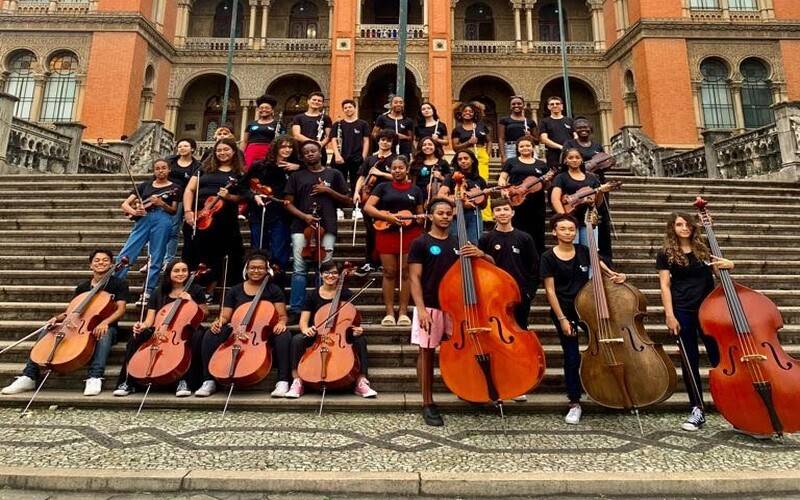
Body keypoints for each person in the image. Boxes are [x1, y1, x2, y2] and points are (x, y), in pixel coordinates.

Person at [408, 198, 493, 426]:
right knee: (426, 354)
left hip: (456, 309)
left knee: (459, 352)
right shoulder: (421, 243)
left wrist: (481, 254)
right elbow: (414, 278)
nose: (445, 217)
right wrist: (421, 310)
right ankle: (427, 402)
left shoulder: (459, 242)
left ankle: (463, 389)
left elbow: (490, 265)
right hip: (430, 306)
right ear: (431, 216)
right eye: (440, 213)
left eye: (448, 213)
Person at [1, 249, 128, 397]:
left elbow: (120, 310)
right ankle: (29, 375)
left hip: (105, 326)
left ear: (112, 264)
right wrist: (57, 318)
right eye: (97, 260)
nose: (101, 262)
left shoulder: (119, 284)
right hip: (79, 324)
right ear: (90, 265)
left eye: (105, 260)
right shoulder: (82, 287)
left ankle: (95, 376)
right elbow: (72, 310)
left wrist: (105, 322)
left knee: (104, 334)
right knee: (48, 329)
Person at [540, 214, 625, 425]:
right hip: (564, 310)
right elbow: (550, 291)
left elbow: (605, 272)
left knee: (605, 347)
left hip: (587, 309)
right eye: (563, 229)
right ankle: (574, 402)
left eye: (571, 229)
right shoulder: (548, 257)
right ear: (554, 232)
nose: (568, 232)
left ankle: (611, 391)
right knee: (571, 356)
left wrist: (617, 276)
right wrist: (561, 319)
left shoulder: (584, 251)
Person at [657, 212, 733, 432]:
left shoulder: (704, 248)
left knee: (717, 356)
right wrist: (669, 315)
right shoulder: (665, 253)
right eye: (679, 224)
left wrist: (730, 263)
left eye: (687, 224)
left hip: (709, 310)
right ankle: (697, 409)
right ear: (672, 228)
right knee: (689, 360)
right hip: (682, 310)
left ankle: (731, 402)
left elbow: (720, 272)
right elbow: (664, 286)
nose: (684, 228)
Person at [195, 252, 290, 397]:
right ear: (246, 269)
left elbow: (282, 316)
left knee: (284, 335)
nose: (256, 271)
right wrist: (219, 322)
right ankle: (208, 380)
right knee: (210, 334)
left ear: (267, 270)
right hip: (237, 329)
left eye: (260, 268)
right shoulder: (235, 290)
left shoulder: (273, 290)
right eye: (252, 268)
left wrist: (282, 323)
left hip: (263, 332)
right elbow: (226, 316)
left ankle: (282, 381)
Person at [112, 259, 209, 397]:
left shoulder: (195, 289)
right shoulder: (159, 292)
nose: (181, 274)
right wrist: (141, 326)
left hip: (186, 328)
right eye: (176, 271)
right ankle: (128, 381)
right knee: (136, 338)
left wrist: (191, 300)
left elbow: (204, 313)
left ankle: (184, 380)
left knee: (196, 337)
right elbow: (150, 320)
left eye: (184, 270)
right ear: (169, 273)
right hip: (160, 329)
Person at [285, 261, 378, 399]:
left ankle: (361, 380)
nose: (331, 275)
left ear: (340, 276)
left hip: (340, 334)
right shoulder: (312, 295)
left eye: (334, 273)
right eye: (327, 272)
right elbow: (303, 321)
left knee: (360, 339)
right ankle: (297, 380)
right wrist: (306, 329)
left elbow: (351, 319)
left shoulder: (346, 294)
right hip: (318, 333)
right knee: (297, 339)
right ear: (321, 275)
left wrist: (357, 329)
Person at [284, 141, 352, 316]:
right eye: (305, 152)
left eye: (313, 151)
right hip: (301, 227)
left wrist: (327, 190)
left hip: (327, 226)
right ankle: (297, 309)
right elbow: (288, 204)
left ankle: (320, 308)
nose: (309, 154)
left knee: (324, 267)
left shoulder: (334, 174)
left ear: (321, 153)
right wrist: (304, 216)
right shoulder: (296, 176)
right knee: (299, 268)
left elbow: (348, 200)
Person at [363, 156, 425, 327]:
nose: (397, 171)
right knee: (389, 272)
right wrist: (388, 217)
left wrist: (419, 218)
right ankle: (389, 312)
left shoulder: (416, 190)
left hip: (410, 233)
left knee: (406, 272)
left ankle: (403, 312)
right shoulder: (382, 187)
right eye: (394, 168)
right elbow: (368, 207)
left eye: (400, 168)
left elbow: (420, 214)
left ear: (407, 169)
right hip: (386, 232)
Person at [183, 137, 245, 299]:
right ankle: (193, 287)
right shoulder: (203, 168)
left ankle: (209, 290)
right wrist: (188, 211)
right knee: (195, 252)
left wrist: (229, 196)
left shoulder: (239, 173)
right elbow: (189, 190)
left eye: (226, 150)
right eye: (219, 150)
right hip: (199, 216)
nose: (222, 153)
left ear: (234, 152)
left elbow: (243, 197)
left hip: (224, 220)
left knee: (217, 254)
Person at [117, 158, 178, 302]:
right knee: (127, 252)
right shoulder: (145, 185)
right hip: (143, 219)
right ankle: (115, 283)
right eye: (157, 168)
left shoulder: (175, 187)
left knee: (156, 256)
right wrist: (134, 211)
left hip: (163, 220)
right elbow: (125, 204)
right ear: (154, 170)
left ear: (169, 170)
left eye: (164, 168)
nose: (161, 170)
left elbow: (174, 210)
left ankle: (148, 290)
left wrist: (162, 203)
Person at [478, 199, 539, 331]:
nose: (502, 213)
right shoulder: (486, 239)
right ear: (493, 214)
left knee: (520, 329)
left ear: (512, 213)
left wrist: (529, 293)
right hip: (494, 293)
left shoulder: (525, 238)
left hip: (519, 293)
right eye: (498, 210)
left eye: (506, 209)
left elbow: (534, 267)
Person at [242, 135, 300, 271]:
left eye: (290, 147)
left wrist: (298, 167)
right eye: (283, 146)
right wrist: (254, 195)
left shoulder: (296, 168)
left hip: (282, 213)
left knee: (279, 250)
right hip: (259, 211)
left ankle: (276, 284)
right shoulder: (260, 165)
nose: (287, 150)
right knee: (258, 248)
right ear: (276, 148)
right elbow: (242, 186)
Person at [563, 118, 613, 263]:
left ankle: (605, 258)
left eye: (586, 126)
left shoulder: (597, 145)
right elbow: (565, 160)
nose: (583, 129)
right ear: (574, 130)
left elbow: (605, 161)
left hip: (596, 184)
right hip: (575, 187)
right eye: (579, 127)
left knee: (602, 220)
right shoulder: (570, 144)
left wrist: (605, 163)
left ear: (591, 129)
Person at [550, 148, 614, 252]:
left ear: (582, 160)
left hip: (588, 219)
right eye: (570, 158)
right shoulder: (561, 177)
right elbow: (555, 199)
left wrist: (601, 191)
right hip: (570, 219)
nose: (574, 160)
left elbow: (598, 203)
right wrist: (564, 217)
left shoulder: (592, 178)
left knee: (590, 252)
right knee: (570, 251)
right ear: (565, 160)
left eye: (577, 157)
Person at [352, 130, 397, 277]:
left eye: (388, 140)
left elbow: (400, 176)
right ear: (378, 141)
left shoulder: (395, 159)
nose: (385, 143)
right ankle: (369, 262)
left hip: (388, 200)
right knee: (370, 232)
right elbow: (362, 176)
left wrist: (381, 174)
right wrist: (356, 192)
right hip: (369, 199)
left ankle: (383, 262)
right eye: (382, 140)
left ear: (392, 143)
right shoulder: (370, 159)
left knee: (385, 231)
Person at [497, 135, 549, 256]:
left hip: (536, 203)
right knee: (517, 230)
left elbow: (546, 185)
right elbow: (502, 178)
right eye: (521, 146)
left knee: (537, 233)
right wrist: (503, 189)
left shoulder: (541, 164)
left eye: (528, 145)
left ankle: (536, 262)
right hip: (516, 201)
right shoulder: (511, 162)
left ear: (533, 147)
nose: (525, 148)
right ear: (517, 148)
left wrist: (546, 181)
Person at [451, 101, 493, 221]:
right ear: (460, 114)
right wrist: (468, 142)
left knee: (483, 183)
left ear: (474, 114)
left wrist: (487, 153)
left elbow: (489, 141)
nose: (468, 113)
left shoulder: (481, 126)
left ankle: (486, 216)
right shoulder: (457, 130)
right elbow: (455, 147)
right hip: (466, 154)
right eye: (465, 111)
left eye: (470, 111)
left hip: (480, 154)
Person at [164, 138, 202, 266]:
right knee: (162, 229)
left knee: (174, 229)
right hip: (166, 197)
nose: (182, 148)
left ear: (192, 148)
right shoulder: (170, 161)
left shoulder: (196, 165)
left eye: (185, 146)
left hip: (182, 199)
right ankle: (155, 257)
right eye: (179, 146)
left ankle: (168, 259)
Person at [437, 149, 487, 244]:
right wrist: (460, 203)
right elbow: (441, 195)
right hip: (455, 215)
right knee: (455, 242)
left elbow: (484, 206)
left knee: (474, 243)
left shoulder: (480, 180)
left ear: (472, 160)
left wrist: (483, 196)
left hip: (474, 215)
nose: (463, 161)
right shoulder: (451, 177)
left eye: (466, 158)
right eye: (460, 159)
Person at [330, 99, 370, 196]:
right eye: (345, 108)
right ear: (343, 110)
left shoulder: (363, 124)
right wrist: (337, 155)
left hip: (356, 157)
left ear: (355, 108)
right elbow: (333, 140)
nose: (348, 109)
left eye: (350, 107)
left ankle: (355, 206)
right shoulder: (338, 124)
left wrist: (363, 156)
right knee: (339, 182)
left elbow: (366, 141)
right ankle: (339, 206)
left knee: (356, 182)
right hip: (340, 157)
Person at [291, 91, 331, 165]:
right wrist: (313, 143)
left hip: (319, 151)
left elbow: (329, 136)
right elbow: (296, 135)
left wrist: (321, 144)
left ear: (322, 104)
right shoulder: (298, 117)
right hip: (302, 151)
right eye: (314, 100)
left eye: (319, 101)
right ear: (308, 101)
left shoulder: (326, 118)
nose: (316, 102)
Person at [242, 94, 280, 168]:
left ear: (272, 110)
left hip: (269, 152)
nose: (264, 110)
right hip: (251, 152)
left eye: (267, 108)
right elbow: (245, 141)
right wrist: (241, 155)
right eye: (261, 108)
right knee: (249, 172)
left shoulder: (278, 124)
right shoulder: (251, 124)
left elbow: (280, 141)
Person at [410, 135, 449, 206]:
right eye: (424, 145)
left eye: (430, 144)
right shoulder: (415, 163)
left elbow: (449, 182)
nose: (427, 147)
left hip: (436, 195)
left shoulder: (442, 163)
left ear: (435, 147)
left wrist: (441, 177)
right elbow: (413, 182)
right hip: (420, 195)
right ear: (421, 148)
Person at [539, 96, 575, 170]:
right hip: (553, 155)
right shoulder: (544, 122)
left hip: (570, 154)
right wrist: (561, 147)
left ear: (562, 106)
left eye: (557, 103)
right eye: (552, 104)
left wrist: (571, 148)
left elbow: (576, 136)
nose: (555, 106)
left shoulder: (570, 120)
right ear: (548, 107)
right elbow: (544, 139)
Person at [498, 96, 537, 163]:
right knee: (511, 170)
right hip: (510, 149)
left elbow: (537, 141)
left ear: (523, 105)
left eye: (519, 103)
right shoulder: (504, 120)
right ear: (510, 106)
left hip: (526, 148)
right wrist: (503, 156)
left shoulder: (530, 122)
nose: (516, 105)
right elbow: (501, 138)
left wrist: (530, 137)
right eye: (513, 104)